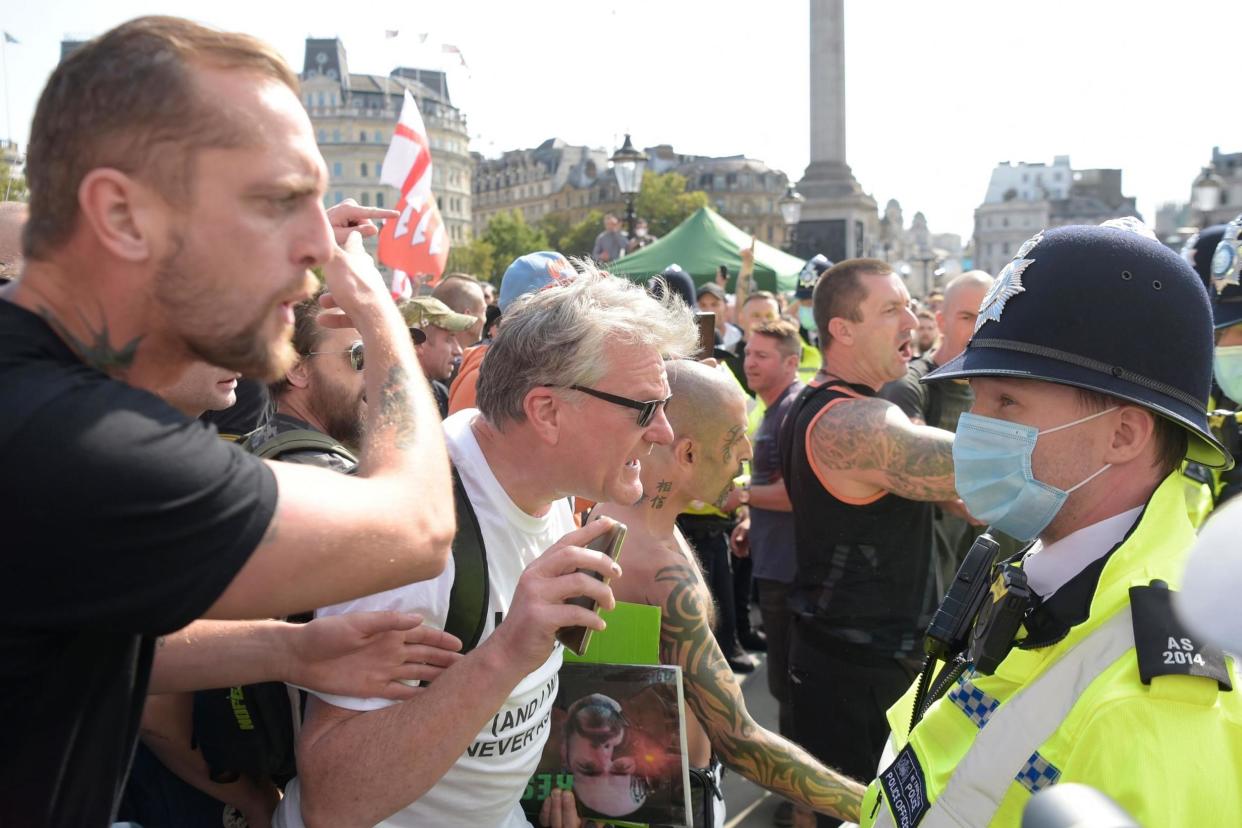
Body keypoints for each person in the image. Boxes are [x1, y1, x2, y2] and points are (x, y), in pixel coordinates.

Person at [0, 18, 458, 825]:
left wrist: (290, 648)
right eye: (278, 201)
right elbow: (416, 523)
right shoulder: (75, 447)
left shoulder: (43, 400)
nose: (320, 246)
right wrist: (379, 313)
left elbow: (96, 629)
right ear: (123, 214)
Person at [279, 264, 698, 828]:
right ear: (547, 411)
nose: (664, 432)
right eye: (646, 408)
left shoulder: (551, 487)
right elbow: (332, 802)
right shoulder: (417, 529)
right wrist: (506, 652)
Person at [861, 224, 1242, 827]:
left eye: (1007, 403)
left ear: (1123, 434)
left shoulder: (1152, 703)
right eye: (976, 399)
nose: (973, 427)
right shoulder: (1036, 566)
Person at [596, 360, 865, 828]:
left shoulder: (622, 513)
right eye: (733, 437)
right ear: (687, 455)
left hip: (655, 789)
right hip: (670, 802)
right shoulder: (659, 570)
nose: (745, 453)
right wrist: (876, 806)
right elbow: (740, 739)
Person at [779, 258, 962, 828]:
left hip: (866, 664)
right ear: (842, 328)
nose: (913, 316)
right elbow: (977, 472)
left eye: (910, 304)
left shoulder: (844, 407)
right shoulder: (851, 420)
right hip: (854, 676)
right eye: (892, 308)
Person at [727, 319, 804, 825]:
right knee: (784, 687)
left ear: (791, 362)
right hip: (774, 562)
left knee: (792, 690)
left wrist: (742, 497)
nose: (751, 363)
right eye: (749, 353)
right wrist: (754, 517)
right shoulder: (771, 409)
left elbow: (800, 493)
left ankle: (802, 801)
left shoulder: (793, 409)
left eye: (762, 356)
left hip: (791, 572)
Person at [880, 270, 995, 591]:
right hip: (927, 573)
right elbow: (912, 459)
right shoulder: (910, 385)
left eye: (989, 315)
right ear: (942, 320)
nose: (978, 328)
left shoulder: (1006, 388)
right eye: (967, 316)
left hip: (985, 568)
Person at [448, 251, 576, 416]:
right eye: (565, 306)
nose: (583, 310)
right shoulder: (487, 380)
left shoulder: (554, 366)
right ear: (530, 314)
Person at [402, 295, 477, 417]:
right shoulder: (393, 403)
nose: (458, 350)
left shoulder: (440, 393)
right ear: (417, 344)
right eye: (448, 339)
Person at [433, 272, 488, 348]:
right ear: (468, 316)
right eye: (483, 311)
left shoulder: (416, 353)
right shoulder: (484, 358)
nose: (485, 319)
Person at [696, 282, 744, 353]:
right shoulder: (692, 339)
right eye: (703, 305)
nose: (709, 310)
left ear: (726, 307)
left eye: (714, 304)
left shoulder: (738, 335)